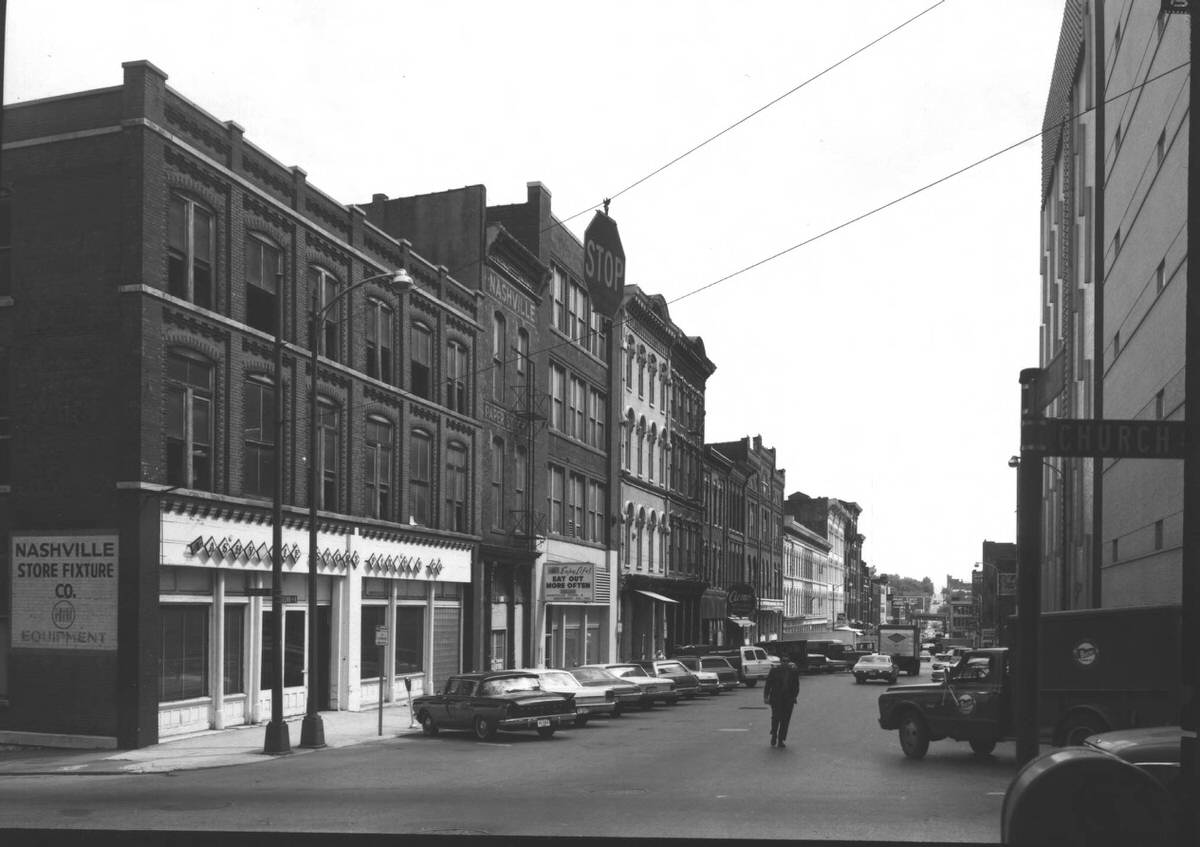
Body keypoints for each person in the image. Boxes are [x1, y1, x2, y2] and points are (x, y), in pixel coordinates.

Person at [763, 658, 800, 748]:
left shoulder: (793, 672)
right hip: (776, 699)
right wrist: (766, 696)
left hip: (788, 699)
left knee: (785, 720)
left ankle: (781, 739)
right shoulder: (774, 671)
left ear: (788, 662)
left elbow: (796, 686)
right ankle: (774, 734)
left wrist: (794, 696)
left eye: (787, 661)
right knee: (776, 718)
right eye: (783, 661)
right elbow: (768, 684)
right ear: (780, 662)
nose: (785, 663)